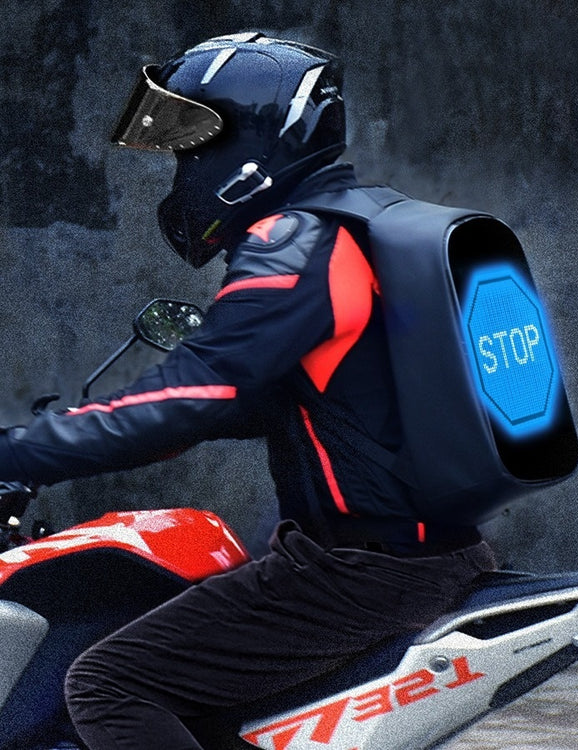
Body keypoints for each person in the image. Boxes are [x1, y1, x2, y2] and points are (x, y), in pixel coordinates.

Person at [0, 32, 495, 749]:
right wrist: (94, 431)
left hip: (357, 572)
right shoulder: (363, 225)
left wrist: (18, 450)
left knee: (107, 682)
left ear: (257, 142)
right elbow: (298, 397)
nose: (186, 171)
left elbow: (187, 399)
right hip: (429, 555)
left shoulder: (293, 243)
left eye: (194, 150)